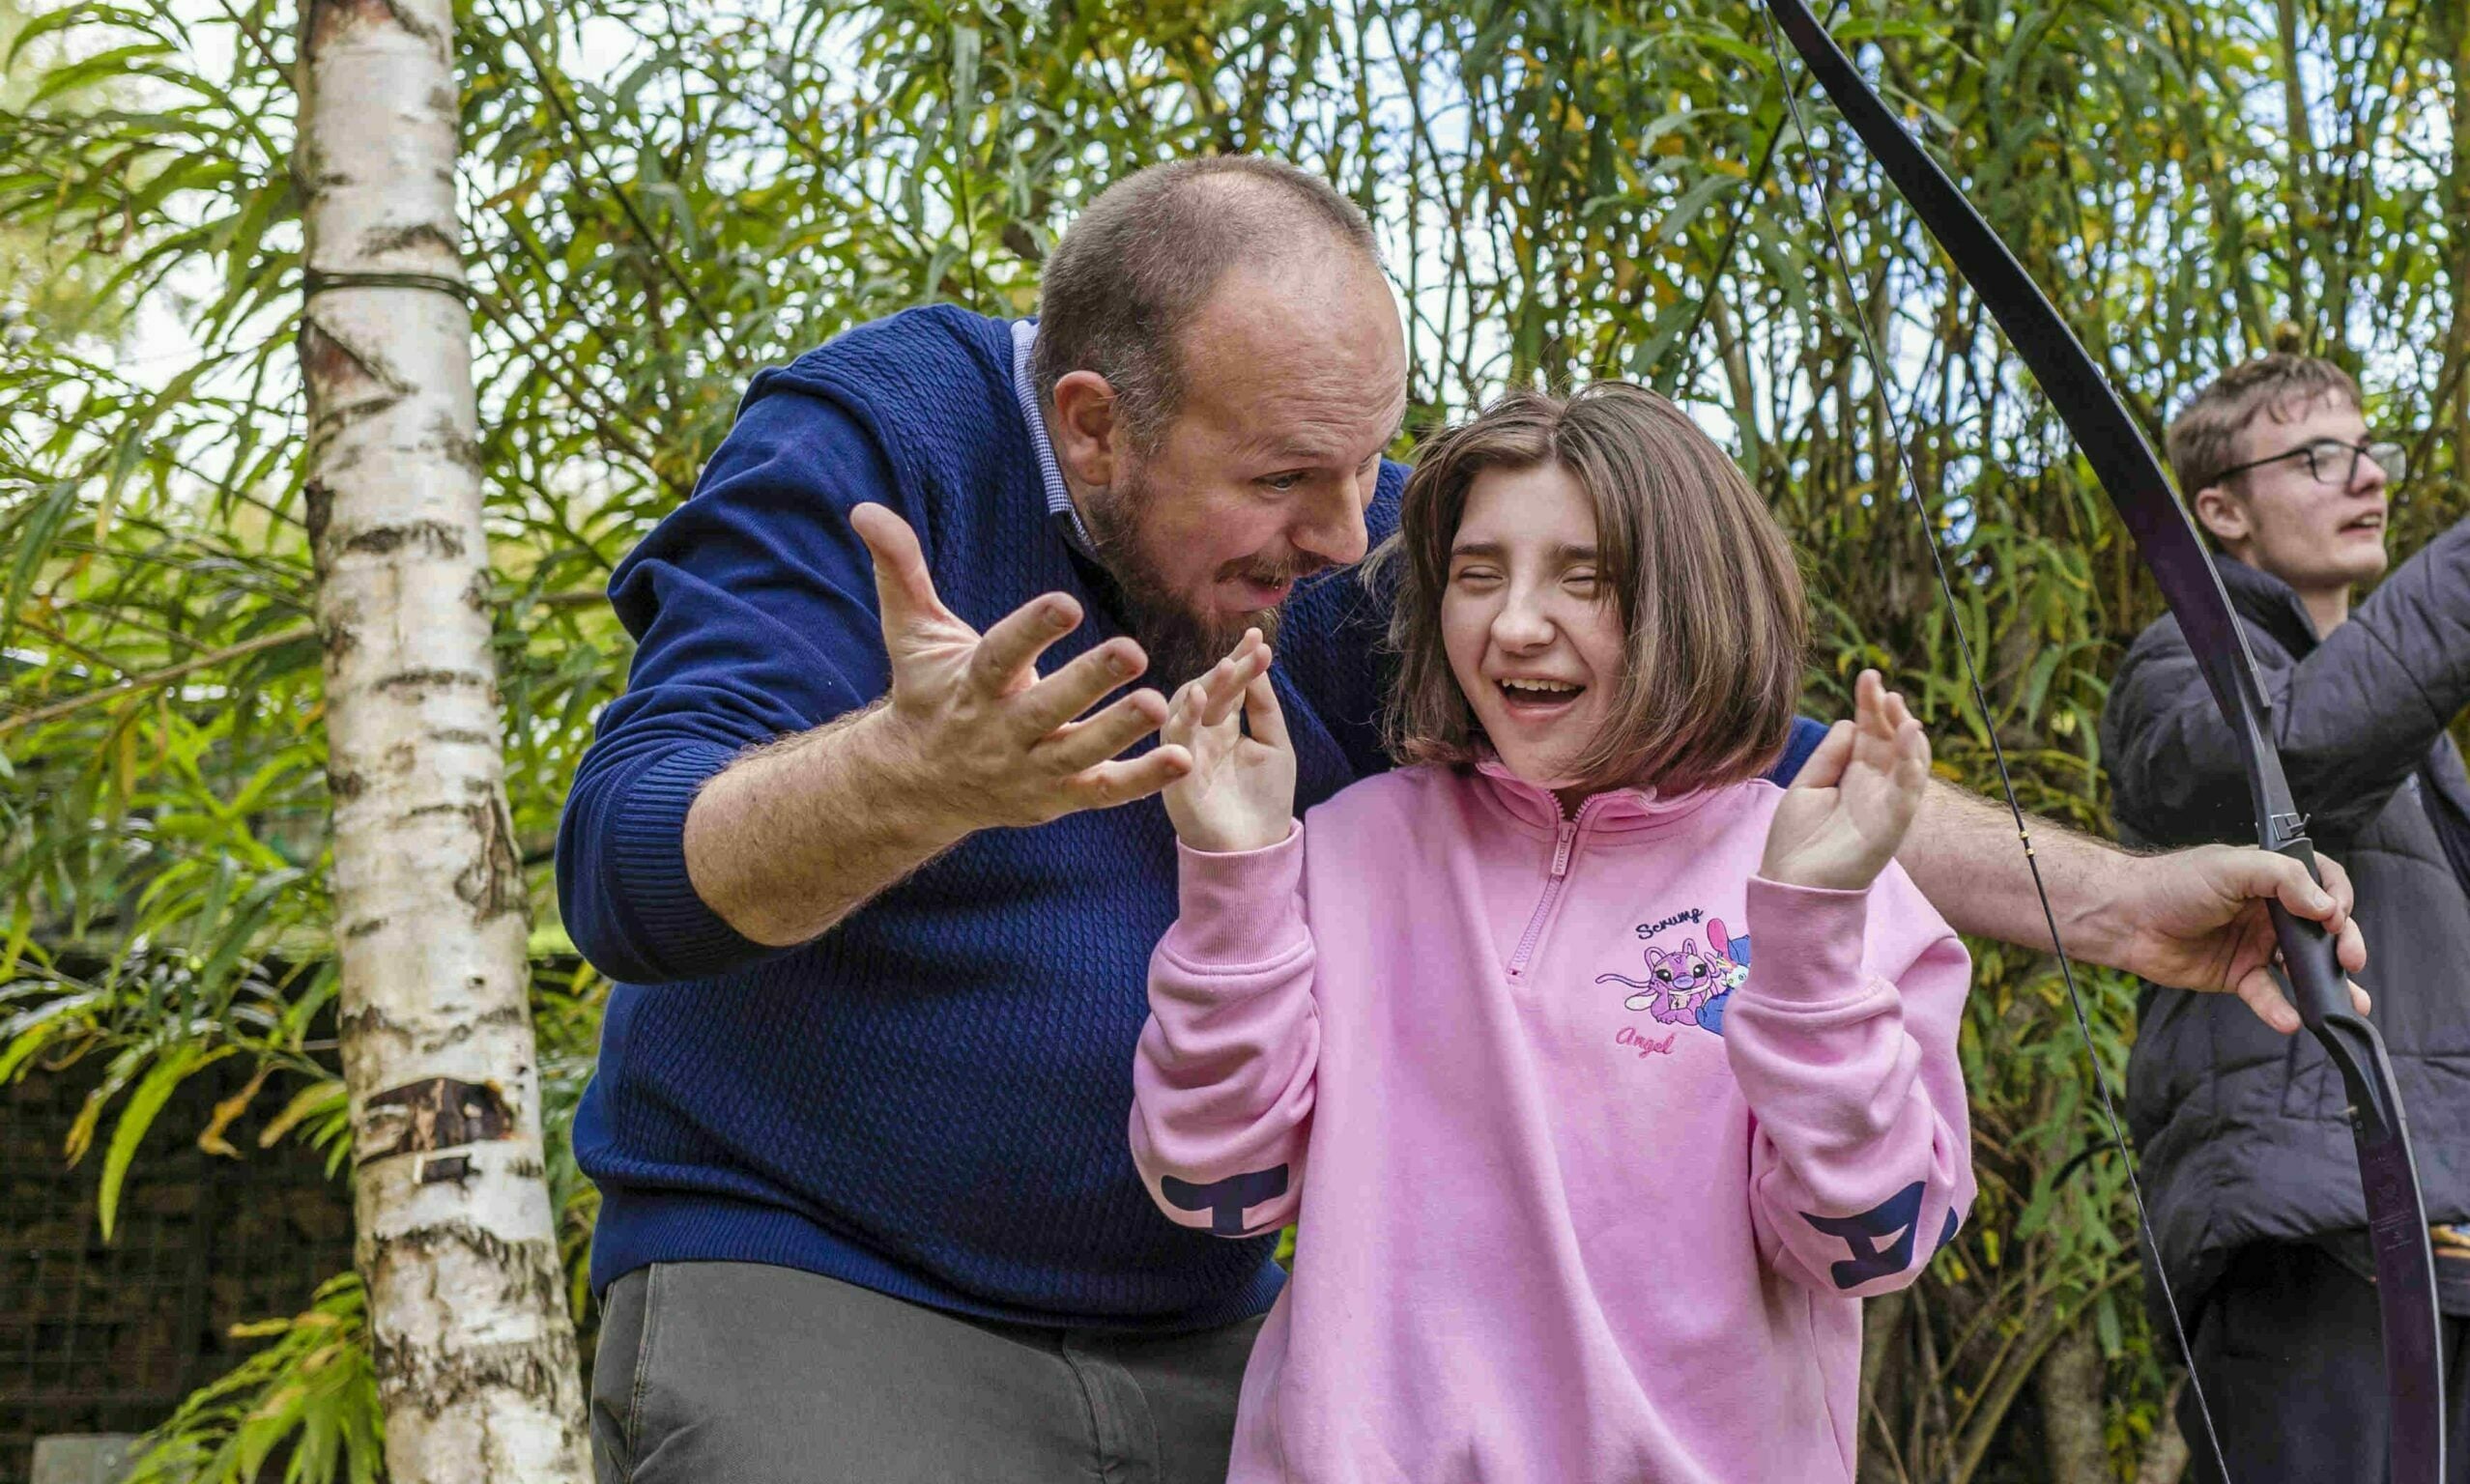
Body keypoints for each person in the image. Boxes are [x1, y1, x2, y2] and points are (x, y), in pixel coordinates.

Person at [558, 157, 2365, 1483]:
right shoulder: (883, 443)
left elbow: (1735, 754)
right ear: (1095, 431)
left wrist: (2109, 901)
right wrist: (915, 772)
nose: (1354, 544)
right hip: (836, 1288)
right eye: (1285, 480)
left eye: (1373, 470)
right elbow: (632, 868)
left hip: (1201, 1347)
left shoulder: (1338, 551)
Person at [1132, 385, 1970, 1481]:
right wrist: (1236, 881)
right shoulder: (1346, 853)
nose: (1515, 623)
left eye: (1588, 579)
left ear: (1696, 602)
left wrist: (1808, 948)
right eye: (1479, 575)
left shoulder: (1829, 879)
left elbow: (1874, 1243)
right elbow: (1214, 1187)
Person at [2104, 354, 2470, 1482]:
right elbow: (2284, 761)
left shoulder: (2421, 745)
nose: (2365, 479)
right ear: (2219, 510)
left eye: (2370, 452)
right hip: (2312, 1245)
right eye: (2319, 457)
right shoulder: (2179, 663)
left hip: (2438, 1248)